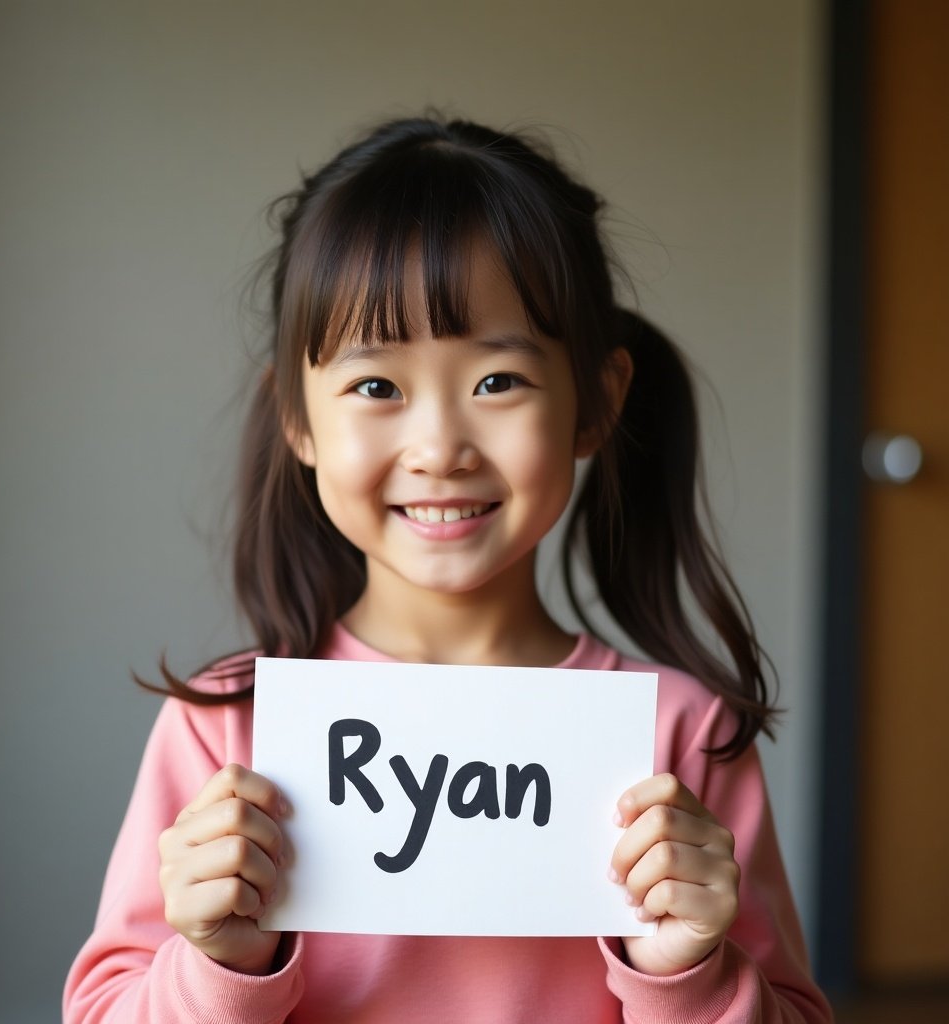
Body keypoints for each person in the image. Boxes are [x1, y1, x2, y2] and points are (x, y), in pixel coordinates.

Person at [64, 115, 832, 1022]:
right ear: (298, 419)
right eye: (376, 386)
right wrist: (220, 966)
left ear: (596, 403)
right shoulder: (226, 730)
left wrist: (686, 972)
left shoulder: (683, 736)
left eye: (497, 382)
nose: (439, 448)